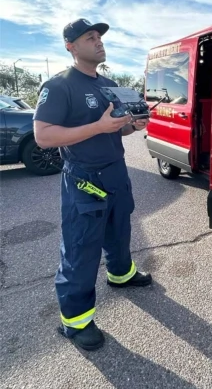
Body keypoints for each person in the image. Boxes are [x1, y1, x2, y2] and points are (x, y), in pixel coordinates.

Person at [33, 18, 152, 351]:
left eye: (99, 36)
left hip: (115, 170)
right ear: (70, 46)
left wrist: (133, 125)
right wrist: (99, 128)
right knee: (81, 248)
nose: (98, 41)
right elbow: (43, 136)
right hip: (84, 178)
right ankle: (77, 321)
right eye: (89, 37)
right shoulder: (59, 86)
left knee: (119, 229)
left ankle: (121, 274)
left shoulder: (109, 84)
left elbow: (117, 128)